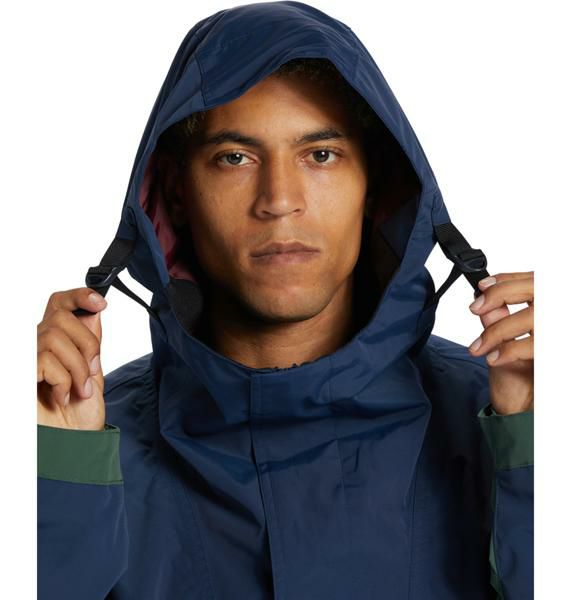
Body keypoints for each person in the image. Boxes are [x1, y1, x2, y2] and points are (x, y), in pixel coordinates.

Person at [36, 2, 534, 599]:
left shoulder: (506, 423)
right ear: (175, 192)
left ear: (375, 187)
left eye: (320, 155)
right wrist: (54, 476)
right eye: (235, 158)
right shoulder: (85, 442)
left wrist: (540, 456)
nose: (279, 200)